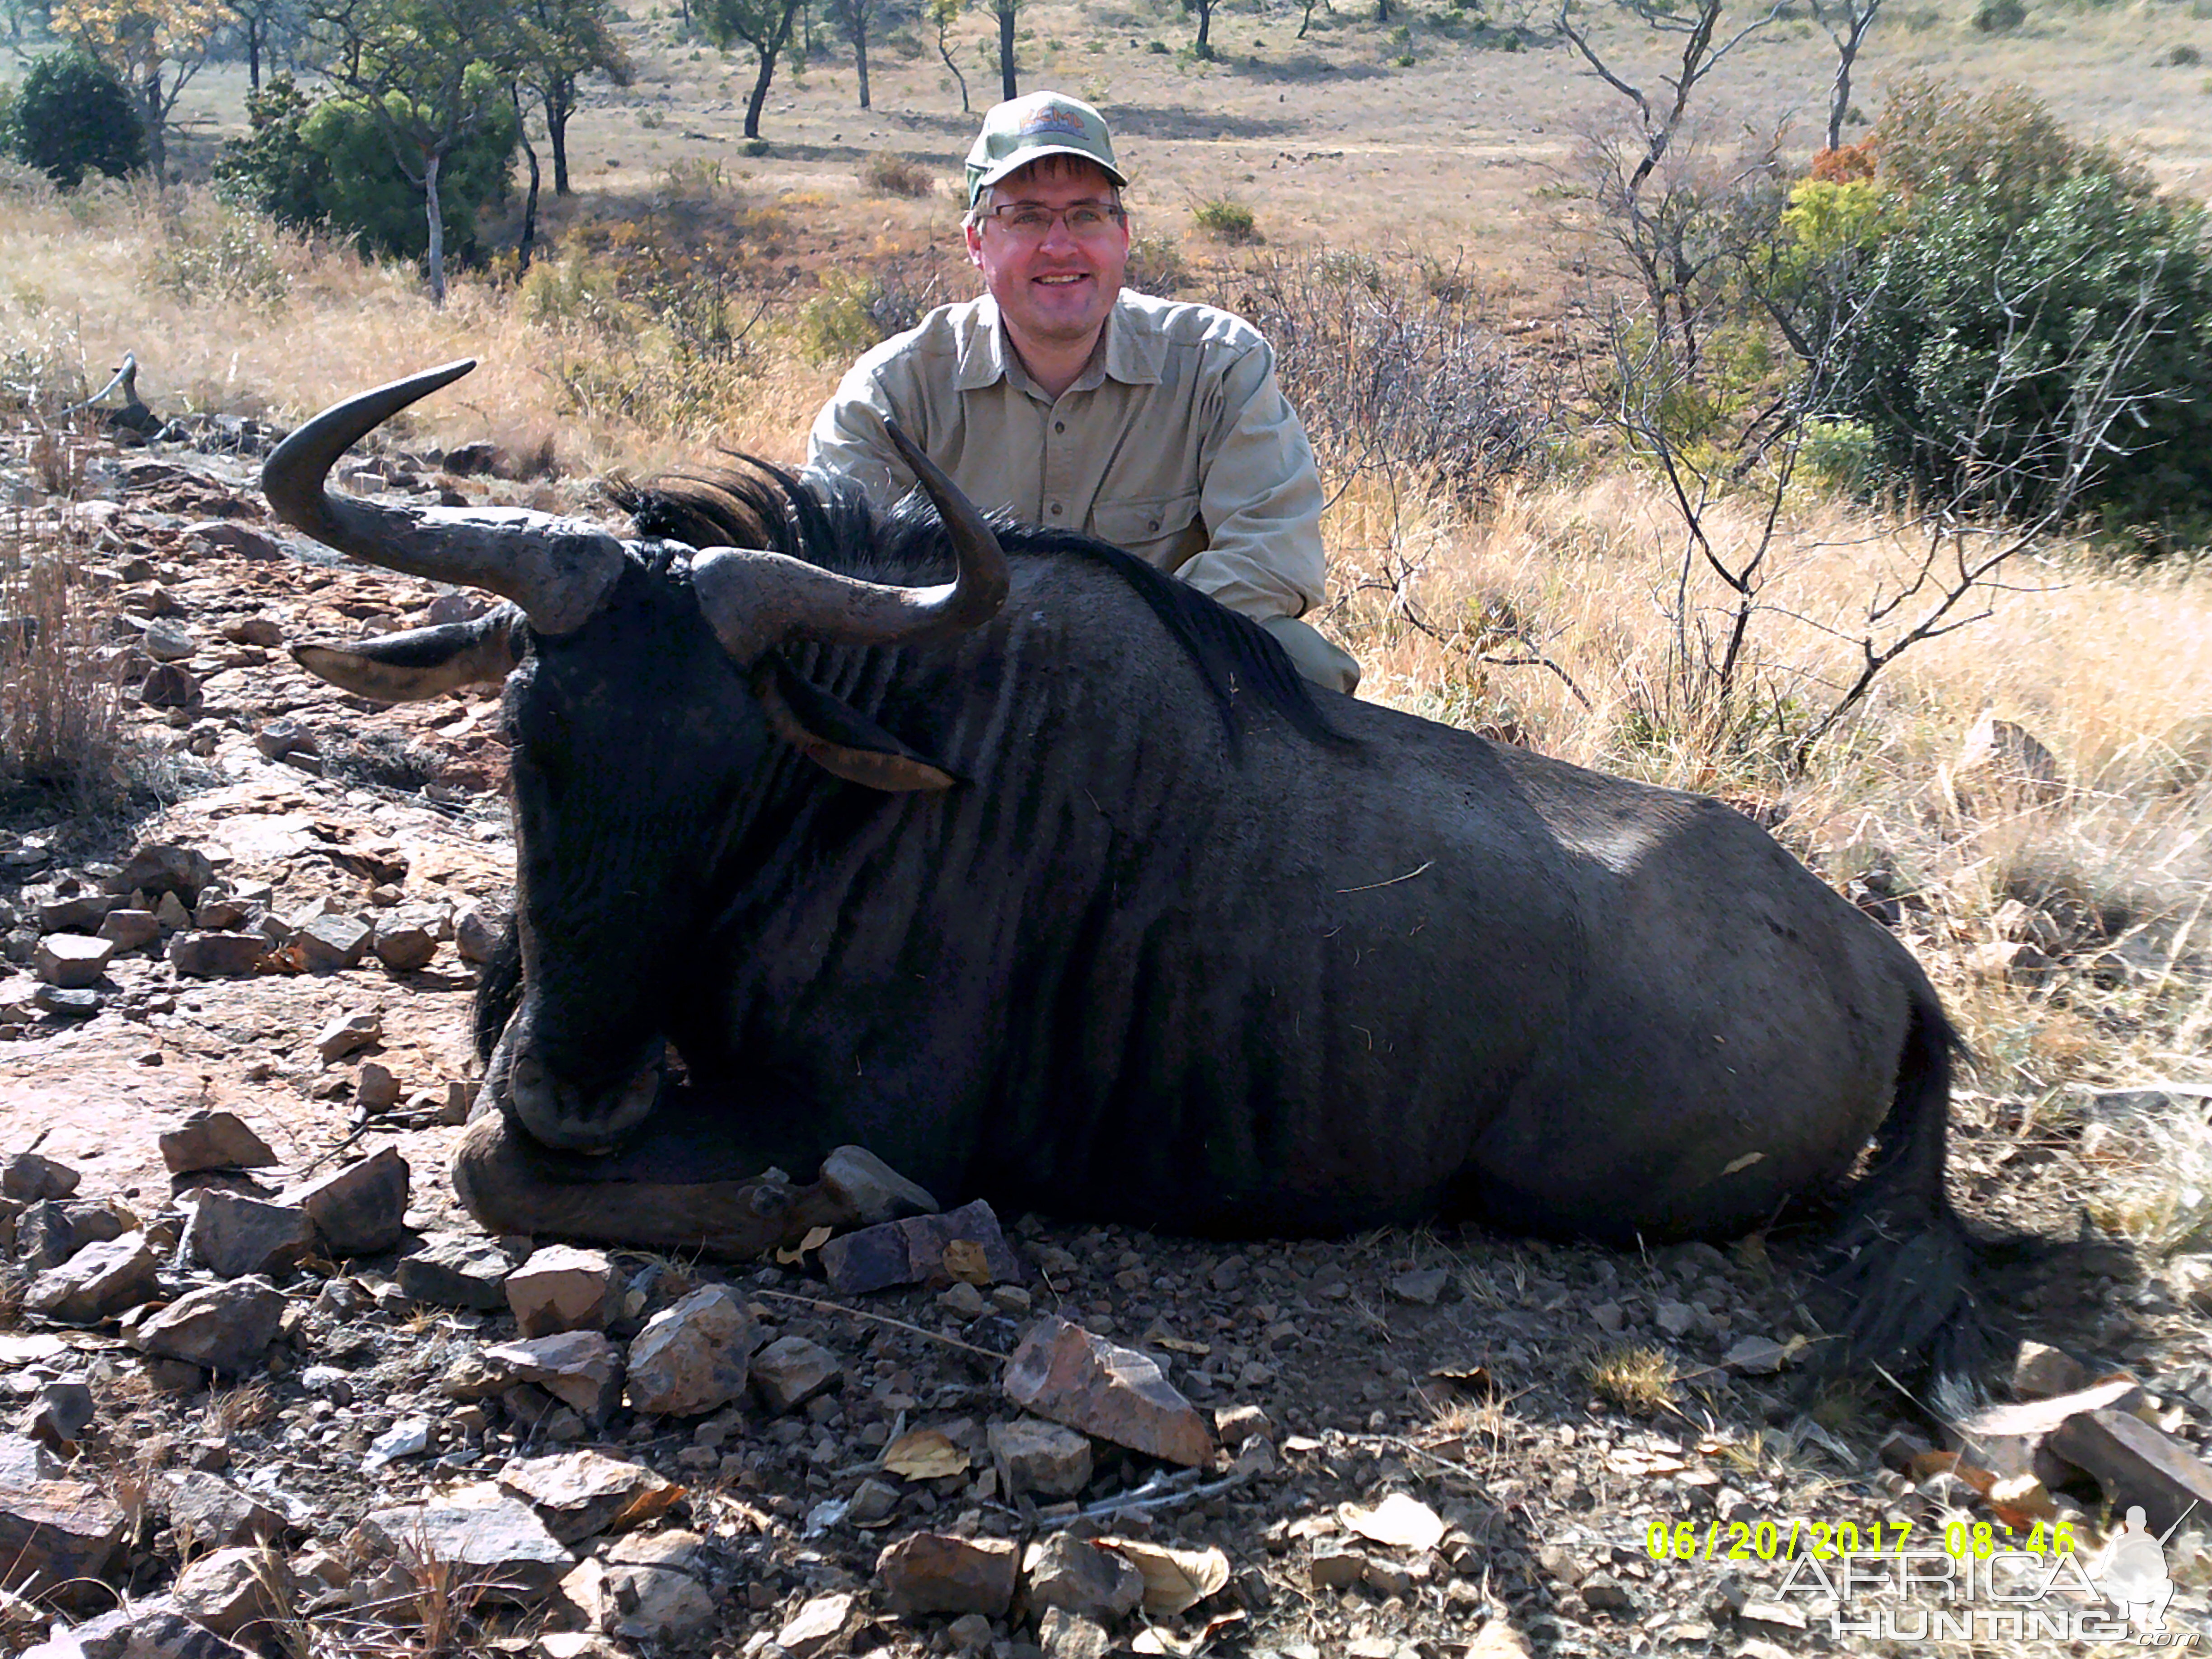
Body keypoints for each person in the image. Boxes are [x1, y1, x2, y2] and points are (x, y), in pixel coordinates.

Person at [805, 90, 1361, 694]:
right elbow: (839, 582)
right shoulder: (892, 392)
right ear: (976, 242)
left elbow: (1273, 559)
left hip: (1162, 682)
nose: (1061, 245)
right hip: (960, 689)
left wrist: (1097, 655)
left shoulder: (1220, 365)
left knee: (1304, 668)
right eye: (1027, 217)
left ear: (1122, 235)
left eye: (1086, 215)